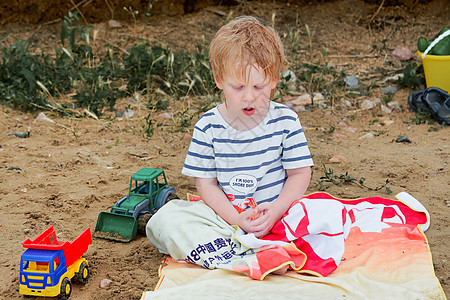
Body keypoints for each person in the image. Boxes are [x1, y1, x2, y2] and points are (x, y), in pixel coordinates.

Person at [147, 15, 314, 277]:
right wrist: (235, 219)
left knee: (322, 213)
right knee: (166, 218)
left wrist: (278, 209)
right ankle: (250, 255)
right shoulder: (208, 125)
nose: (249, 96)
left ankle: (255, 252)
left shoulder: (286, 120)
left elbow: (300, 173)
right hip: (226, 222)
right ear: (219, 79)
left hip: (279, 217)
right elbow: (206, 184)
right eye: (238, 86)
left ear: (273, 79)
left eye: (258, 86)